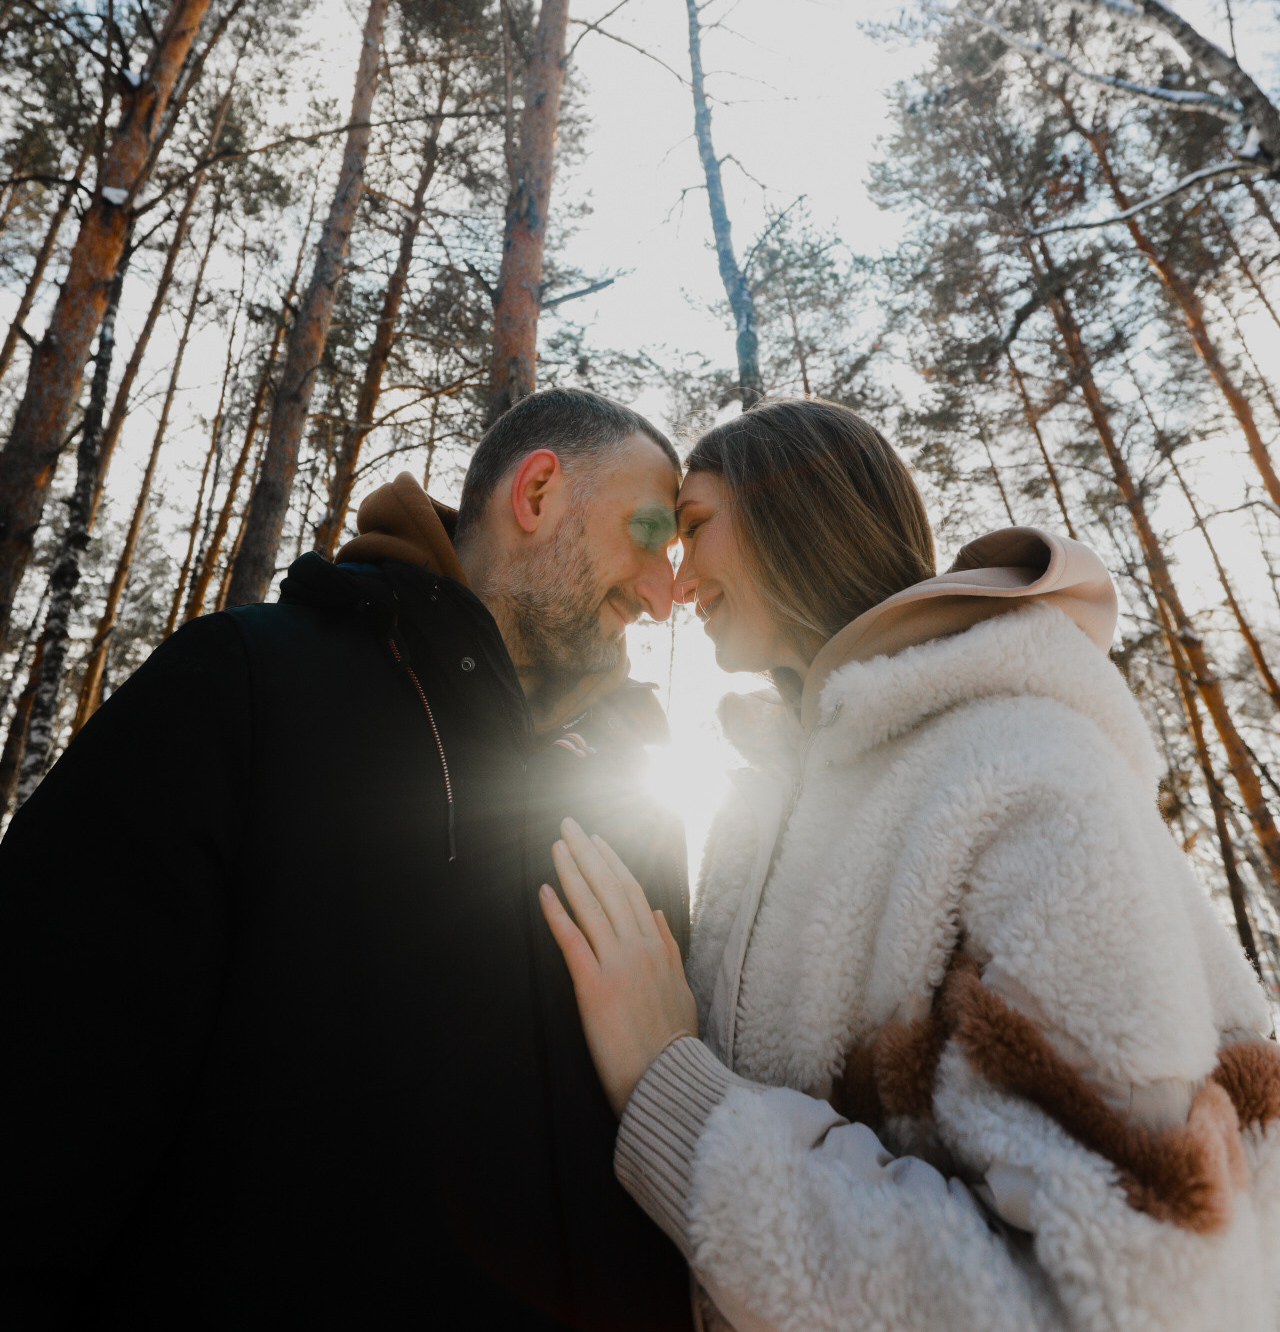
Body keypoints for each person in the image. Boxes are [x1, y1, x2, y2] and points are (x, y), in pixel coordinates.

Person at [541, 397, 1280, 1332]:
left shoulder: (1021, 764)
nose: (676, 584)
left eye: (693, 528)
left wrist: (674, 1092)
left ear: (794, 515)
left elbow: (1139, 1288)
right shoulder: (758, 815)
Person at [0, 388, 694, 1332]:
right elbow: (42, 1105)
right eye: (648, 534)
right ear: (536, 494)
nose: (663, 594)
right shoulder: (247, 687)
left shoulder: (640, 815)